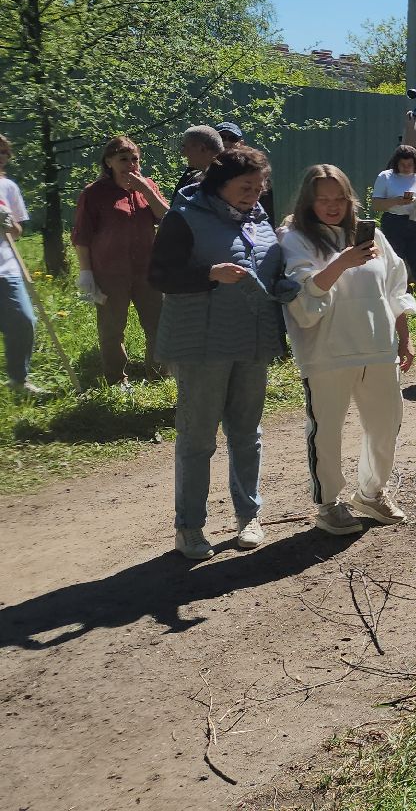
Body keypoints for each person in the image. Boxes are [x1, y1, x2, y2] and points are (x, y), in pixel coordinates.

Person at [150, 146, 292, 561]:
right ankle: (189, 527)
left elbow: (271, 271)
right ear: (220, 183)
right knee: (197, 439)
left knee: (248, 435)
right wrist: (208, 274)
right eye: (246, 186)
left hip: (252, 342)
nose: (255, 192)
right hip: (201, 346)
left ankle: (248, 516)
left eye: (259, 186)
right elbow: (159, 275)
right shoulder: (184, 217)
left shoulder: (260, 221)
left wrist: (285, 285)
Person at [277, 165, 416, 536]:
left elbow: (394, 286)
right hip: (327, 352)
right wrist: (342, 262)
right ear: (309, 201)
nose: (332, 206)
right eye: (323, 199)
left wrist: (404, 336)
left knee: (386, 423)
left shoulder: (370, 234)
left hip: (377, 346)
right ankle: (328, 504)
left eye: (339, 198)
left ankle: (371, 493)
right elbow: (304, 293)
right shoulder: (295, 238)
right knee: (326, 431)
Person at [72, 135, 168, 386]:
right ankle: (117, 379)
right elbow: (82, 235)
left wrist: (146, 190)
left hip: (148, 271)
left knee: (158, 323)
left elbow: (167, 218)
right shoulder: (94, 193)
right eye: (123, 159)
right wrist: (86, 273)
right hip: (110, 272)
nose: (130, 164)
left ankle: (158, 375)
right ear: (109, 162)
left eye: (134, 159)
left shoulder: (147, 186)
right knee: (112, 329)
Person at [370, 145, 416, 316]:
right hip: (393, 224)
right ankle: (389, 308)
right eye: (402, 165)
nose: (406, 168)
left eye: (410, 164)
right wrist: (396, 201)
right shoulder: (385, 177)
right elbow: (376, 204)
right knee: (393, 267)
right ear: (396, 163)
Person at [0, 133, 42, 398]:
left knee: (24, 321)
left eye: (4, 152)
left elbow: (17, 232)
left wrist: (7, 224)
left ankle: (18, 379)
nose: (1, 157)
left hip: (6, 269)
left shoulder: (9, 188)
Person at [215, 121, 276, 224]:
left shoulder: (257, 175)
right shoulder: (204, 170)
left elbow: (267, 214)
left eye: (232, 138)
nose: (226, 142)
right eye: (222, 137)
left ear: (241, 143)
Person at [174, 125, 223, 200]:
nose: (182, 152)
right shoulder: (193, 175)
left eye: (185, 147)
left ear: (202, 148)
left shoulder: (222, 180)